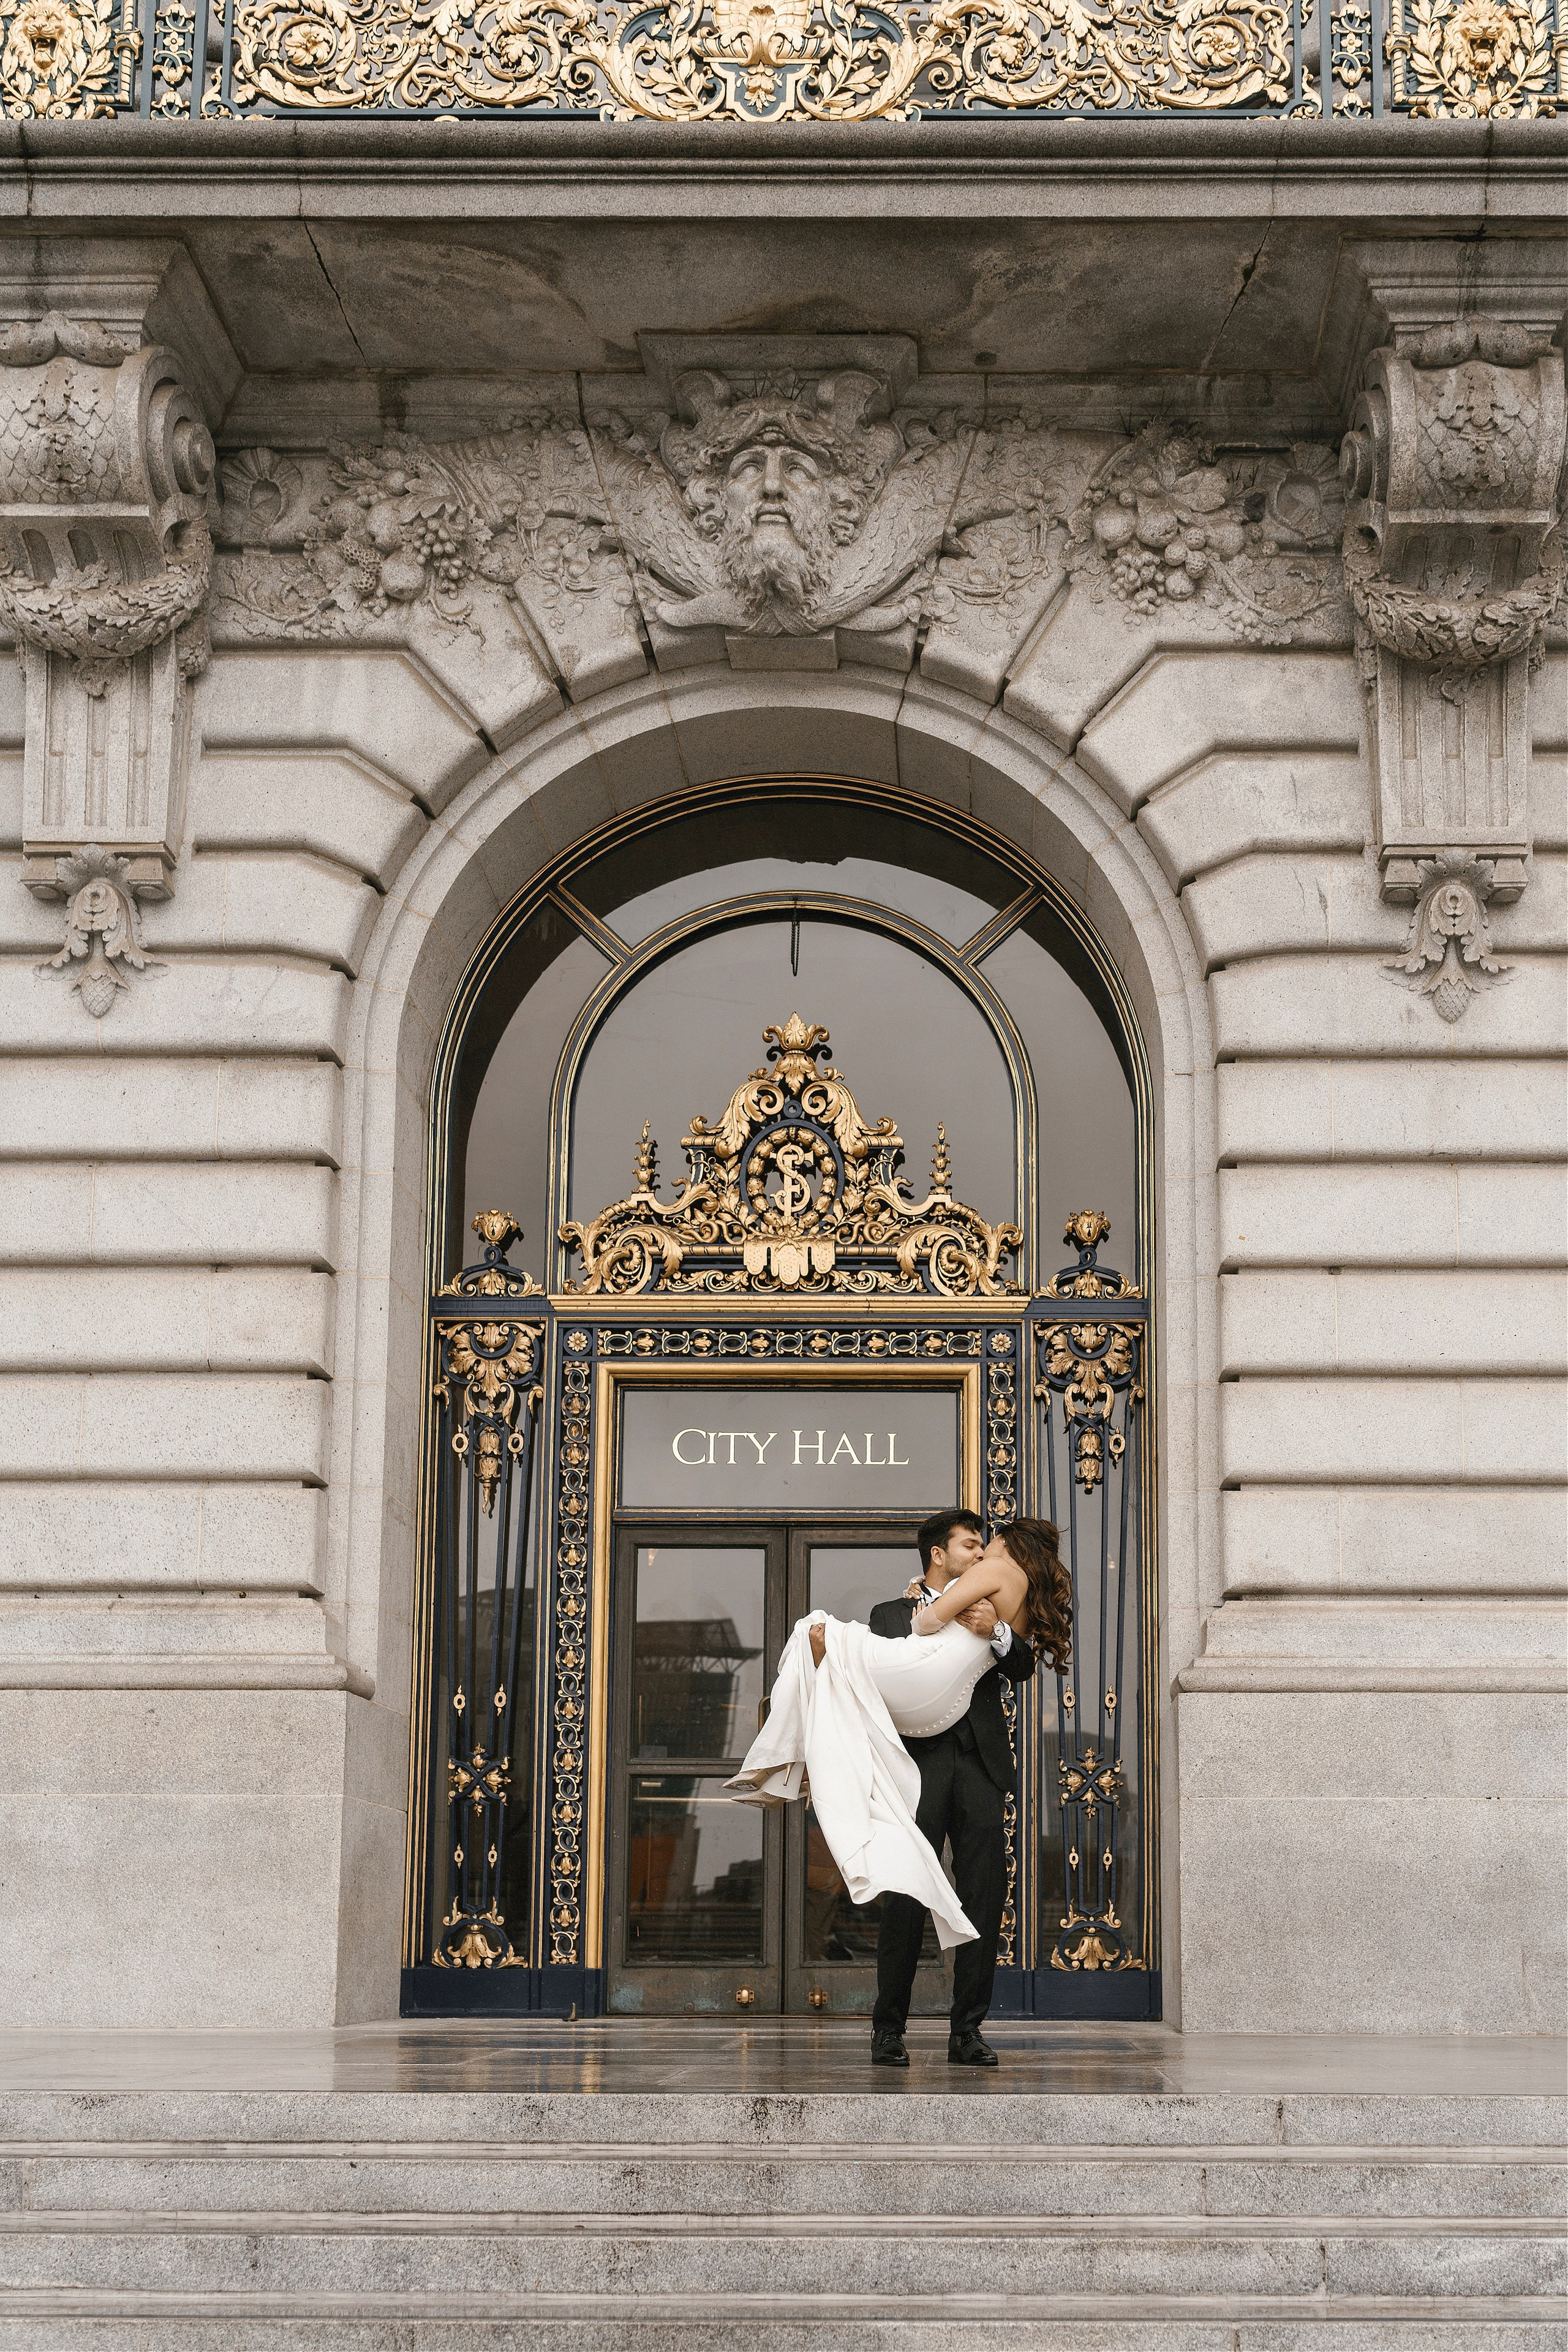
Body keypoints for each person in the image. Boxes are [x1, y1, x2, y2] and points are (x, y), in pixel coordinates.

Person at [725, 1509, 1071, 2069]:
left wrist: (997, 1632)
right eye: (970, 1545)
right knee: (905, 1898)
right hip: (915, 1768)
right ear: (939, 1553)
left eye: (985, 1546)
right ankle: (888, 2031)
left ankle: (969, 2031)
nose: (981, 1553)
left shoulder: (997, 1598)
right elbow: (880, 1680)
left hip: (981, 1765)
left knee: (984, 1894)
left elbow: (1026, 1666)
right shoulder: (889, 1612)